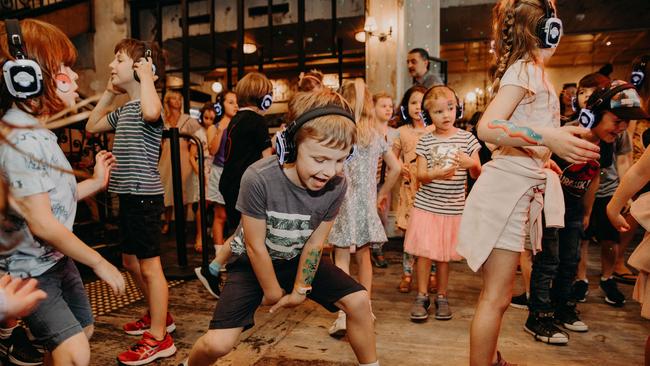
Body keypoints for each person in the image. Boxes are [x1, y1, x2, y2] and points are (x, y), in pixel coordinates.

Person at [185, 90, 379, 366]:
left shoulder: (337, 184)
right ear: (290, 144)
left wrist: (300, 289)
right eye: (320, 159)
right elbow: (254, 246)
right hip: (252, 264)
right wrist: (274, 292)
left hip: (296, 257)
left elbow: (315, 243)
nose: (329, 171)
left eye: (340, 160)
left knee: (360, 301)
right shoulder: (258, 178)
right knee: (218, 344)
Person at [456, 1, 601, 364]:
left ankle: (491, 359)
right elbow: (487, 127)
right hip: (505, 194)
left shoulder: (531, 71)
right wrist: (548, 139)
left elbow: (519, 133)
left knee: (500, 296)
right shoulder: (524, 70)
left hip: (517, 191)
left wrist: (556, 141)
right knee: (496, 297)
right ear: (550, 29)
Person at [1, 18, 126, 365]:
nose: (75, 79)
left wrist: (95, 182)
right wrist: (100, 262)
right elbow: (42, 223)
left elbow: (50, 200)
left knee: (80, 333)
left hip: (55, 260)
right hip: (30, 271)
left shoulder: (38, 133)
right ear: (25, 78)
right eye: (64, 70)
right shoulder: (20, 139)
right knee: (75, 353)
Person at [526, 80, 643, 345]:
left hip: (575, 208)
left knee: (570, 259)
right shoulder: (568, 134)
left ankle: (561, 307)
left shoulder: (607, 143)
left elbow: (594, 178)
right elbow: (540, 163)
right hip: (549, 207)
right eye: (617, 120)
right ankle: (539, 315)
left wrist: (587, 210)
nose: (622, 127)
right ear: (594, 113)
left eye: (626, 122)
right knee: (549, 261)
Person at [86, 38, 177, 364]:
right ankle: (159, 314)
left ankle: (159, 337)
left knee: (151, 270)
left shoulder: (150, 107)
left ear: (141, 67)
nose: (112, 65)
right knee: (129, 263)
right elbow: (92, 124)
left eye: (119, 60)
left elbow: (152, 110)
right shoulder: (125, 108)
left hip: (144, 200)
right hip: (127, 198)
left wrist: (149, 78)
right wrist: (110, 92)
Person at [327, 80, 401, 337]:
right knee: (364, 258)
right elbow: (397, 168)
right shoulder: (375, 135)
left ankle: (344, 314)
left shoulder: (340, 134)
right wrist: (381, 194)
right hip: (365, 204)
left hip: (340, 203)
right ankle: (365, 308)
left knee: (341, 260)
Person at [407, 85, 481, 322]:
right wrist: (436, 174)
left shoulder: (467, 138)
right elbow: (420, 175)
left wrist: (471, 163)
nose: (446, 115)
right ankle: (421, 295)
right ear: (429, 115)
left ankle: (442, 296)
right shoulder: (425, 141)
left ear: (457, 108)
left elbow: (477, 174)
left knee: (443, 256)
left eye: (450, 108)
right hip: (427, 207)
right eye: (439, 112)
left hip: (452, 208)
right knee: (424, 254)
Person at [393, 85, 437, 294]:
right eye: (412, 102)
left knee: (430, 233)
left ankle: (432, 273)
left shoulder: (434, 130)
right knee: (411, 234)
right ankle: (407, 273)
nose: (417, 107)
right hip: (409, 187)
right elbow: (392, 156)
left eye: (421, 102)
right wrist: (399, 165)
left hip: (430, 186)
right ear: (406, 106)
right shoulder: (401, 132)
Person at [219, 72, 273, 236]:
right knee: (251, 234)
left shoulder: (235, 119)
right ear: (264, 100)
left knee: (236, 232)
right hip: (246, 185)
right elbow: (268, 160)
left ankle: (229, 260)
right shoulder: (257, 121)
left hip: (229, 182)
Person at [158, 90, 201, 235]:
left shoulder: (187, 119)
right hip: (166, 159)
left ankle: (182, 225)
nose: (177, 101)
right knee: (166, 190)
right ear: (168, 101)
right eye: (174, 99)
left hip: (183, 157)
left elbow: (199, 135)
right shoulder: (163, 119)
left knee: (183, 191)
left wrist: (192, 149)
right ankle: (167, 222)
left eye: (179, 99)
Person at [370, 92, 399, 268]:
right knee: (371, 214)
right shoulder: (369, 131)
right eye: (383, 106)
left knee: (383, 215)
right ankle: (370, 248)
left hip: (386, 181)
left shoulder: (395, 133)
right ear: (373, 108)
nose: (388, 109)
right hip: (370, 180)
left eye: (390, 106)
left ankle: (378, 249)